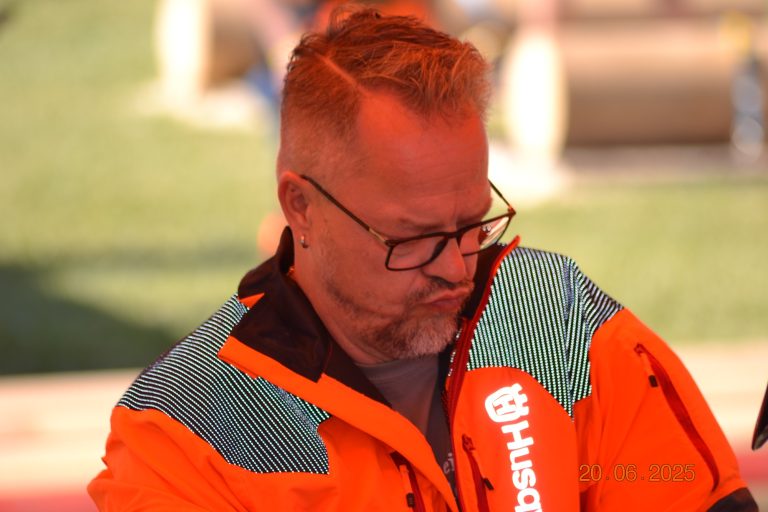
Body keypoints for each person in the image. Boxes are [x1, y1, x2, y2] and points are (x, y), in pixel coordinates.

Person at [89, 7, 758, 511]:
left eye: (472, 224)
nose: (456, 267)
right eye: (411, 239)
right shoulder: (185, 430)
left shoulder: (560, 323)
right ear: (301, 207)